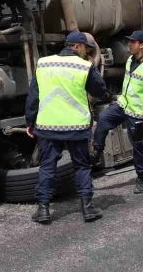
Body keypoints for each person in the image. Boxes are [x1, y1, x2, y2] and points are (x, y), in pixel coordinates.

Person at [25, 31, 108, 224]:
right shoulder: (84, 66)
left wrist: (30, 122)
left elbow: (33, 97)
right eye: (85, 49)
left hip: (48, 126)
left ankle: (43, 210)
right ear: (77, 46)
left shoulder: (44, 63)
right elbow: (101, 91)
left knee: (47, 166)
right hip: (76, 127)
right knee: (82, 166)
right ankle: (87, 209)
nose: (86, 53)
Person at [92, 30, 143, 194]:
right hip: (123, 105)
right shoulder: (129, 60)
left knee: (139, 148)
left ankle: (141, 178)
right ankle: (96, 152)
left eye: (133, 42)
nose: (129, 44)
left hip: (138, 112)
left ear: (141, 45)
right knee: (103, 119)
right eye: (129, 41)